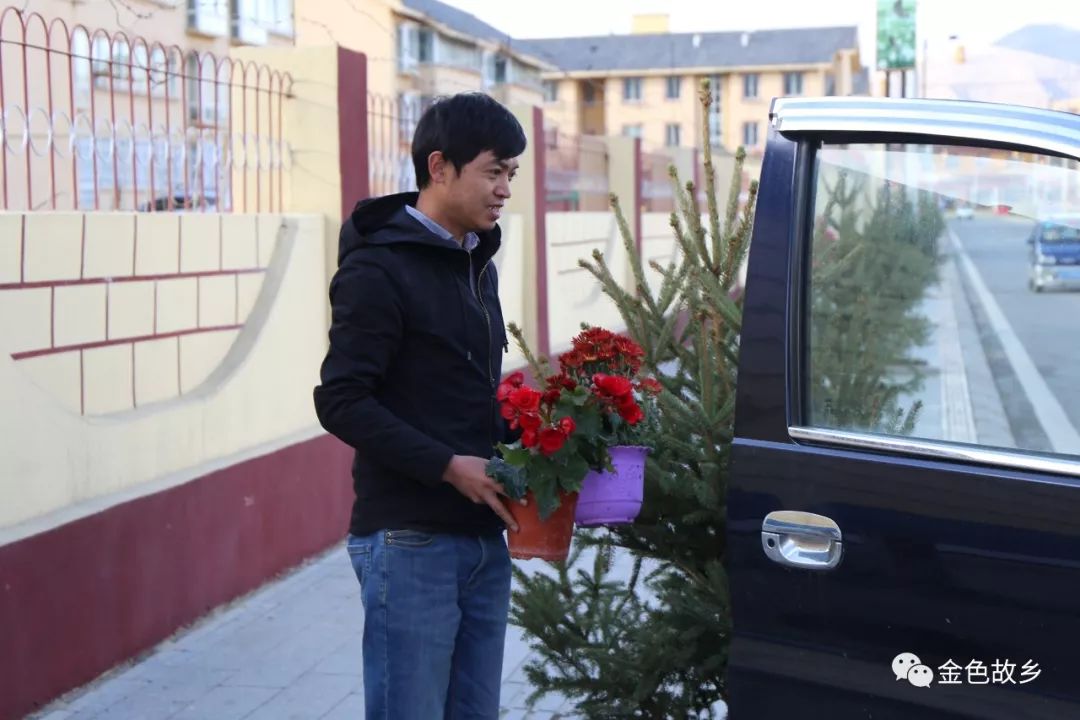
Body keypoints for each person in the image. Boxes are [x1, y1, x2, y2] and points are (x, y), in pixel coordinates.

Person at [313, 92, 526, 719]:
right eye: (494, 170)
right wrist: (446, 465)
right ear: (439, 168)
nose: (505, 189)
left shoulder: (472, 262)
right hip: (410, 541)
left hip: (484, 535)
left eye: (511, 174)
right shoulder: (379, 269)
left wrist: (545, 435)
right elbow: (342, 400)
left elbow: (459, 390)